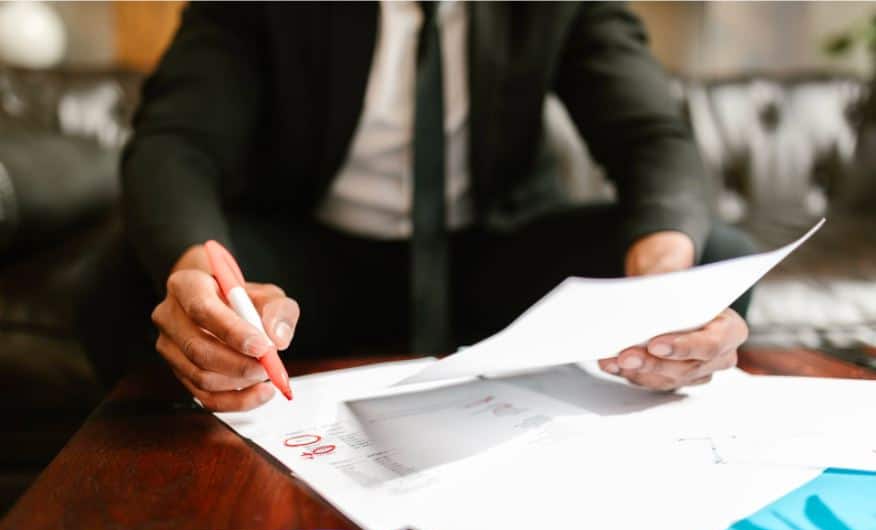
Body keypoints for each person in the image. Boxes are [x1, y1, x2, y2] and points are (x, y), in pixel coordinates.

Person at [80, 1, 754, 412]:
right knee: (134, 277)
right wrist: (202, 274)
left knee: (711, 256)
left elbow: (649, 134)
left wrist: (663, 282)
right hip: (314, 266)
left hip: (491, 259)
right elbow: (179, 141)